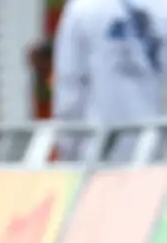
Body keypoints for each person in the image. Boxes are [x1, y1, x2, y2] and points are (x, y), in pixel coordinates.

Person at [53, 0, 167, 162]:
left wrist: (68, 150)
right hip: (157, 152)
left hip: (99, 152)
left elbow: (70, 89)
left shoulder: (83, 8)